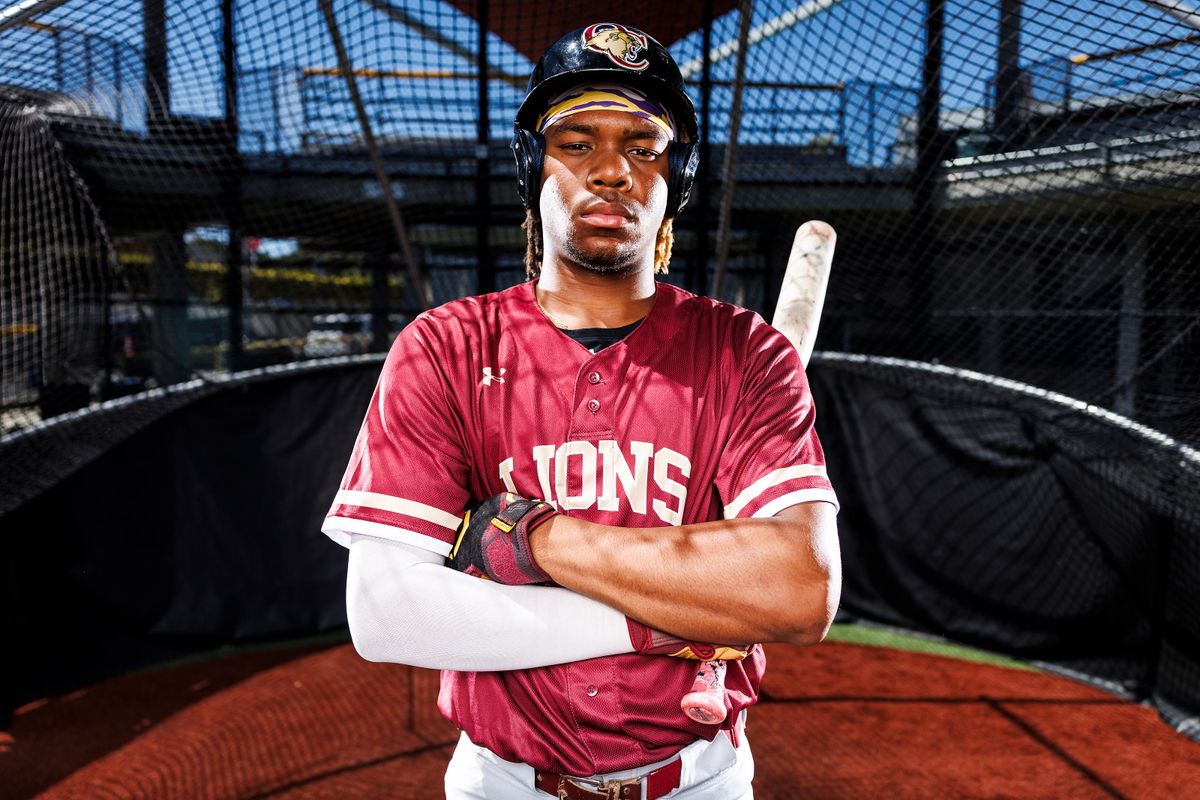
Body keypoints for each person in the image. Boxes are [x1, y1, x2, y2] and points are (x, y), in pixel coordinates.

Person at [322, 21, 841, 799]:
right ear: (533, 165)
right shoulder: (446, 346)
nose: (612, 171)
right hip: (501, 781)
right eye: (576, 141)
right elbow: (386, 612)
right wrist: (661, 619)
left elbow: (799, 590)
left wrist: (538, 539)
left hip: (697, 781)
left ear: (676, 179)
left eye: (643, 146)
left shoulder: (746, 353)